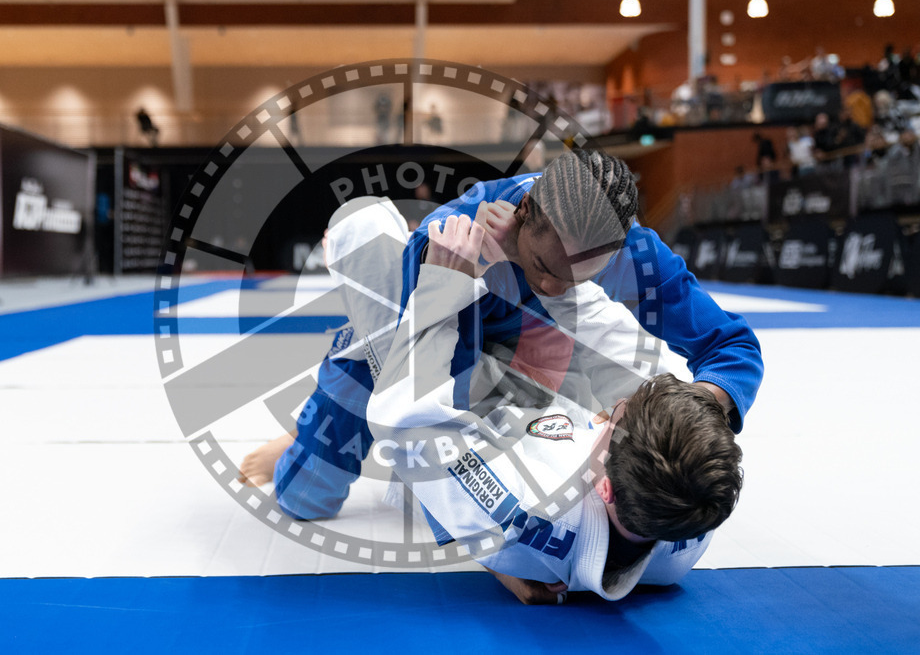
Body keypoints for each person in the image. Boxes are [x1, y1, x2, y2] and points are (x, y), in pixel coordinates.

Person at [240, 149, 762, 525]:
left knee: (649, 426)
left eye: (579, 273)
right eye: (542, 264)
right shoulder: (452, 236)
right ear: (524, 212)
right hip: (417, 347)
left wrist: (699, 404)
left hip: (534, 350)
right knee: (306, 500)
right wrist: (499, 552)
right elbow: (430, 404)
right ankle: (309, 428)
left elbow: (732, 347)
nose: (556, 283)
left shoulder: (636, 254)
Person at [367, 211, 743, 602]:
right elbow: (625, 358)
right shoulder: (691, 520)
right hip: (528, 407)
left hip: (456, 430)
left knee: (361, 226)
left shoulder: (519, 515)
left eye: (613, 420)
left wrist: (442, 285)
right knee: (611, 367)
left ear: (605, 487)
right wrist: (552, 279)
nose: (614, 408)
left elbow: (406, 421)